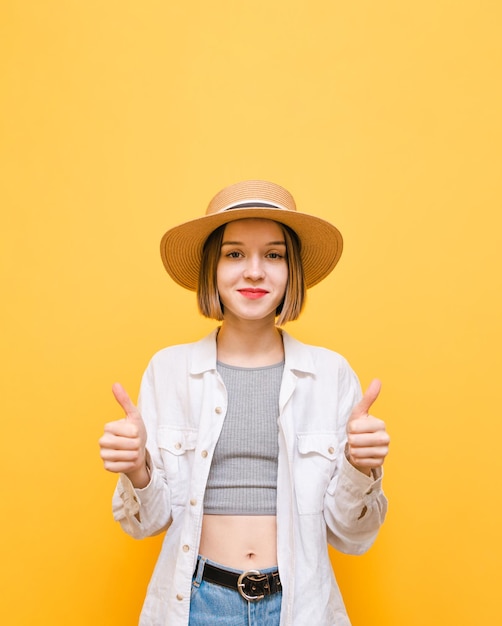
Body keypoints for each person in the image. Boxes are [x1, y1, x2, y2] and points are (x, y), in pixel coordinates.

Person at [99, 179, 390, 626]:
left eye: (273, 255)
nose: (254, 272)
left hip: (298, 605)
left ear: (292, 270)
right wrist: (136, 468)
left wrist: (359, 464)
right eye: (234, 254)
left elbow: (350, 536)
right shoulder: (168, 371)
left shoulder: (331, 375)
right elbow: (145, 524)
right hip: (197, 604)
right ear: (212, 269)